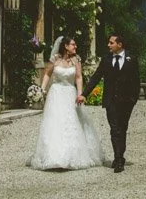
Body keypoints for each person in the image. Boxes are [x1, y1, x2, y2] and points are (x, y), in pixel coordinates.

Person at [28, 35, 108, 171]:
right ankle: (53, 157)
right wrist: (42, 89)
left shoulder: (76, 60)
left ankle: (71, 156)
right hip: (56, 93)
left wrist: (80, 94)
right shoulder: (55, 59)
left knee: (71, 123)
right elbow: (47, 74)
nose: (75, 47)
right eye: (73, 44)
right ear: (65, 46)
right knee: (55, 123)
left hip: (70, 93)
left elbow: (78, 77)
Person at [78, 32, 140, 173]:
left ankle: (120, 155)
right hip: (111, 101)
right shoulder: (106, 60)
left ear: (120, 44)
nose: (108, 45)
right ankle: (118, 160)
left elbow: (136, 81)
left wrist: (133, 99)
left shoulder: (132, 59)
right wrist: (83, 94)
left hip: (126, 102)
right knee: (114, 129)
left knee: (122, 128)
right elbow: (95, 78)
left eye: (111, 43)